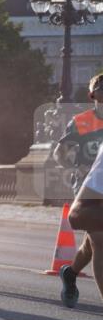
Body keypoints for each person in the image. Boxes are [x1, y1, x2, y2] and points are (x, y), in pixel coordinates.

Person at [59, 73, 103, 307]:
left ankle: (71, 273)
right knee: (98, 238)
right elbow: (61, 152)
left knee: (92, 243)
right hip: (87, 188)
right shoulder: (83, 120)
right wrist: (75, 166)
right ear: (92, 94)